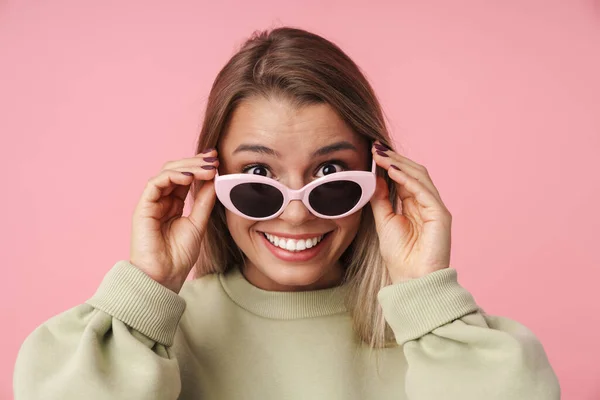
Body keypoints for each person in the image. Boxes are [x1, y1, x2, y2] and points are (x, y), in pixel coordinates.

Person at [13, 26, 560, 399]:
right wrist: (146, 288)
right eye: (257, 179)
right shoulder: (152, 338)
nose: (295, 214)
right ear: (210, 180)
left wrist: (427, 294)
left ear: (378, 180)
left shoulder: (435, 339)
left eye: (330, 177)